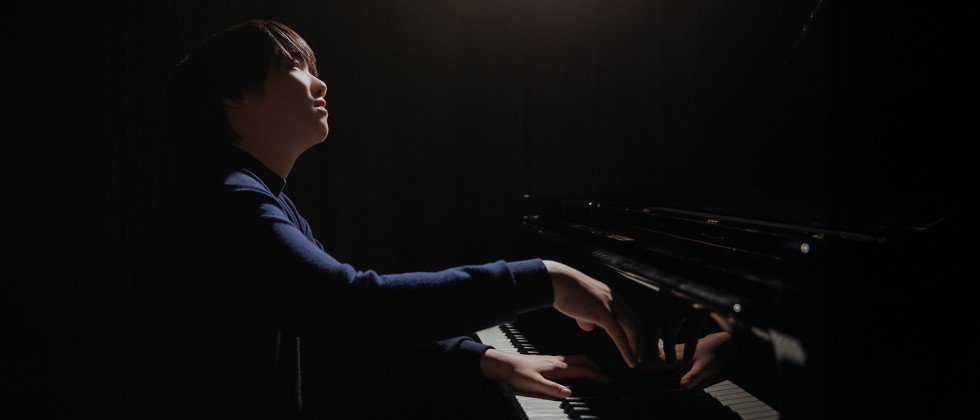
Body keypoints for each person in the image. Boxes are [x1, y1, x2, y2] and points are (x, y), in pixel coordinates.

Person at [120, 19, 646, 419]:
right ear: (232, 98)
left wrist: (481, 359)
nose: (320, 85)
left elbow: (327, 330)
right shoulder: (229, 200)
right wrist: (542, 278)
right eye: (295, 68)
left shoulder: (246, 193)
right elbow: (352, 307)